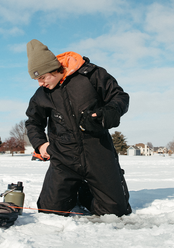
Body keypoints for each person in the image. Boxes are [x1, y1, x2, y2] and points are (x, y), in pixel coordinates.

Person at [25, 39, 131, 217]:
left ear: (53, 69)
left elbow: (119, 97)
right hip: (64, 155)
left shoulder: (91, 75)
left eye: (42, 77)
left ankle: (87, 190)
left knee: (115, 212)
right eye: (37, 79)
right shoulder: (42, 95)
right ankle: (74, 187)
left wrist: (108, 112)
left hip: (98, 153)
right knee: (49, 211)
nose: (40, 83)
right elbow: (33, 122)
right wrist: (41, 144)